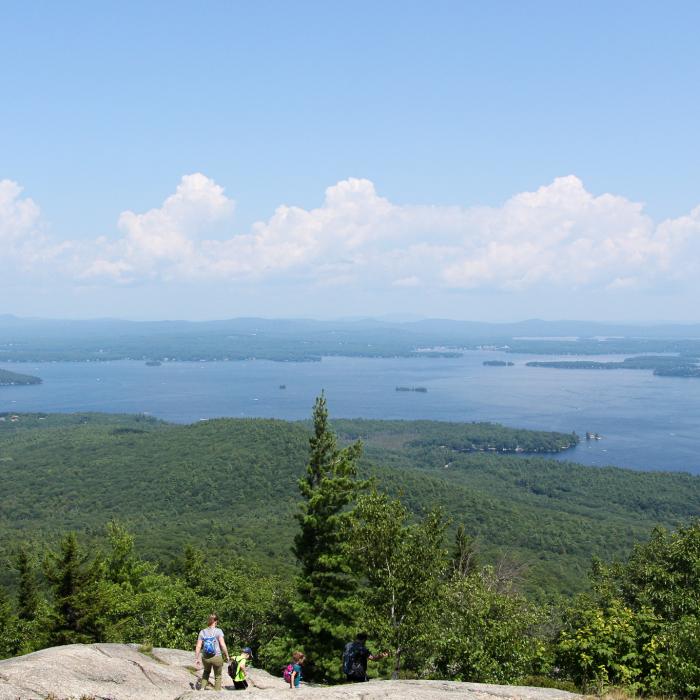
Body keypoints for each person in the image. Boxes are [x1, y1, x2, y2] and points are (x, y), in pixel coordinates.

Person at [194, 614, 230, 691]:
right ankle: (217, 693)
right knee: (218, 676)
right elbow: (222, 644)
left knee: (206, 672)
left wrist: (196, 658)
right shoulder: (218, 631)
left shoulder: (202, 632)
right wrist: (227, 655)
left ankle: (202, 689)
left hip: (206, 657)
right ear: (216, 621)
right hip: (217, 657)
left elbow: (198, 646)